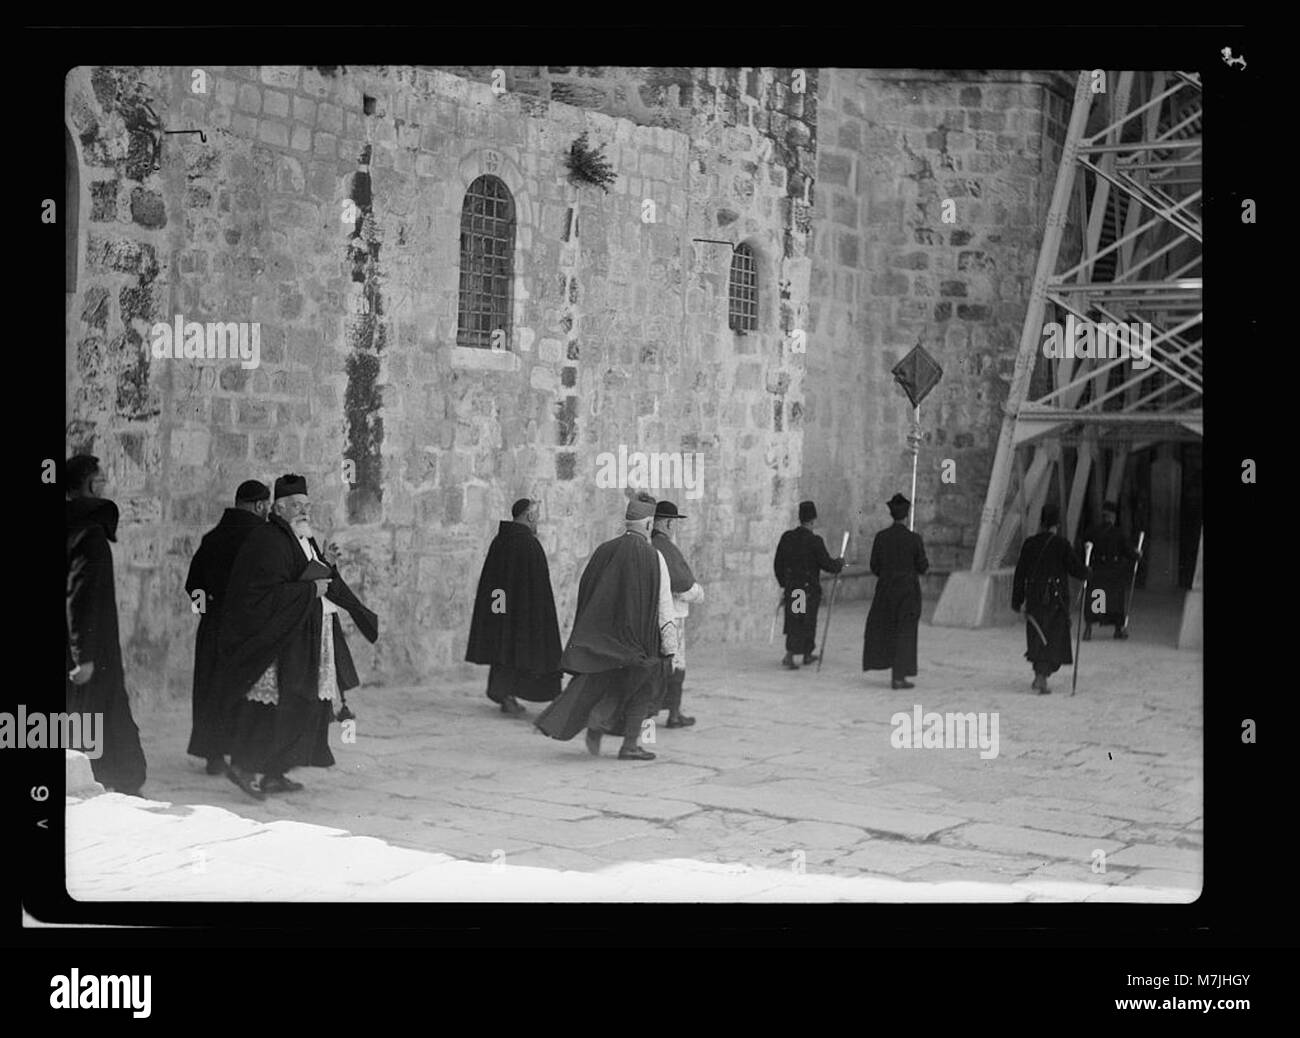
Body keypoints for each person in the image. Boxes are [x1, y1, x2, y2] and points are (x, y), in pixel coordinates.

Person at [218, 474, 376, 799]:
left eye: (306, 505)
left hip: (306, 636)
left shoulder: (302, 536)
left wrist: (327, 565)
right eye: (297, 506)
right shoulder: (268, 540)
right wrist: (309, 591)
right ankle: (245, 767)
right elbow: (262, 593)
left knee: (304, 708)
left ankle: (275, 774)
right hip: (282, 643)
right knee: (272, 709)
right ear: (278, 507)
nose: (304, 511)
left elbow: (309, 573)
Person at [535, 492, 676, 761]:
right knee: (642, 691)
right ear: (648, 524)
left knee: (609, 683)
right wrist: (670, 647)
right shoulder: (653, 557)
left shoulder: (604, 550)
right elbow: (664, 605)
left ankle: (600, 726)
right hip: (641, 643)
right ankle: (628, 744)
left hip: (605, 640)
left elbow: (588, 588)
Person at [65, 454, 147, 795]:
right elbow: (79, 593)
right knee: (99, 708)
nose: (104, 486)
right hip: (91, 644)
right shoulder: (90, 534)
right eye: (100, 481)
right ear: (87, 484)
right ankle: (122, 778)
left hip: (76, 642)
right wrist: (82, 654)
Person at [185, 480, 271, 775]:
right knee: (247, 691)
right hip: (249, 628)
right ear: (260, 505)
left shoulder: (212, 538)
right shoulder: (264, 538)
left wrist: (208, 614)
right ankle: (243, 756)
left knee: (212, 689)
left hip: (214, 626)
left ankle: (213, 757)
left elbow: (193, 586)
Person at [465, 498, 563, 715]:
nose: (537, 520)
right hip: (524, 617)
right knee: (520, 656)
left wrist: (499, 612)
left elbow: (494, 583)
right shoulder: (529, 545)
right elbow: (537, 591)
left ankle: (504, 695)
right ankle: (507, 695)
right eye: (536, 515)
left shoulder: (500, 541)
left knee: (504, 653)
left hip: (503, 613)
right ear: (529, 516)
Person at [1011, 502, 1090, 694]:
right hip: (1055, 602)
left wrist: (1017, 599)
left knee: (1038, 637)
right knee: (1053, 640)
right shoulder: (1061, 545)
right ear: (1057, 525)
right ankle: (1041, 677)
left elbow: (1020, 574)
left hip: (1035, 599)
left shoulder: (1030, 544)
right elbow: (1076, 570)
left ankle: (1040, 674)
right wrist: (1088, 572)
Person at [862, 493, 929, 689]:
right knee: (904, 633)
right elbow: (923, 566)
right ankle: (899, 675)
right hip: (908, 592)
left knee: (888, 629)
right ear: (906, 515)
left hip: (886, 592)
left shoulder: (881, 537)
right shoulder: (914, 539)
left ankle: (891, 668)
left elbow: (875, 566)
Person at [650, 501, 704, 728]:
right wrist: (698, 593)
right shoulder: (665, 547)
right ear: (669, 523)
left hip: (652, 616)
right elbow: (682, 583)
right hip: (672, 615)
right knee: (676, 664)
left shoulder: (648, 544)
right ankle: (673, 713)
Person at [774, 500, 844, 669]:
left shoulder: (787, 537)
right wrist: (840, 563)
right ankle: (790, 655)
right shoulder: (814, 541)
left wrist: (785, 584)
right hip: (804, 589)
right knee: (801, 622)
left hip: (794, 587)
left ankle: (807, 653)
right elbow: (827, 564)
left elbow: (778, 564)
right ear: (812, 520)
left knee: (801, 621)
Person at [1080, 500, 1141, 641]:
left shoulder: (1092, 531)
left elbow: (1084, 550)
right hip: (1113, 574)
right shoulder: (1118, 534)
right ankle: (1118, 630)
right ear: (1113, 517)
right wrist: (1137, 554)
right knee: (1114, 602)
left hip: (1097, 572)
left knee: (1096, 601)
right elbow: (1128, 551)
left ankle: (1089, 629)